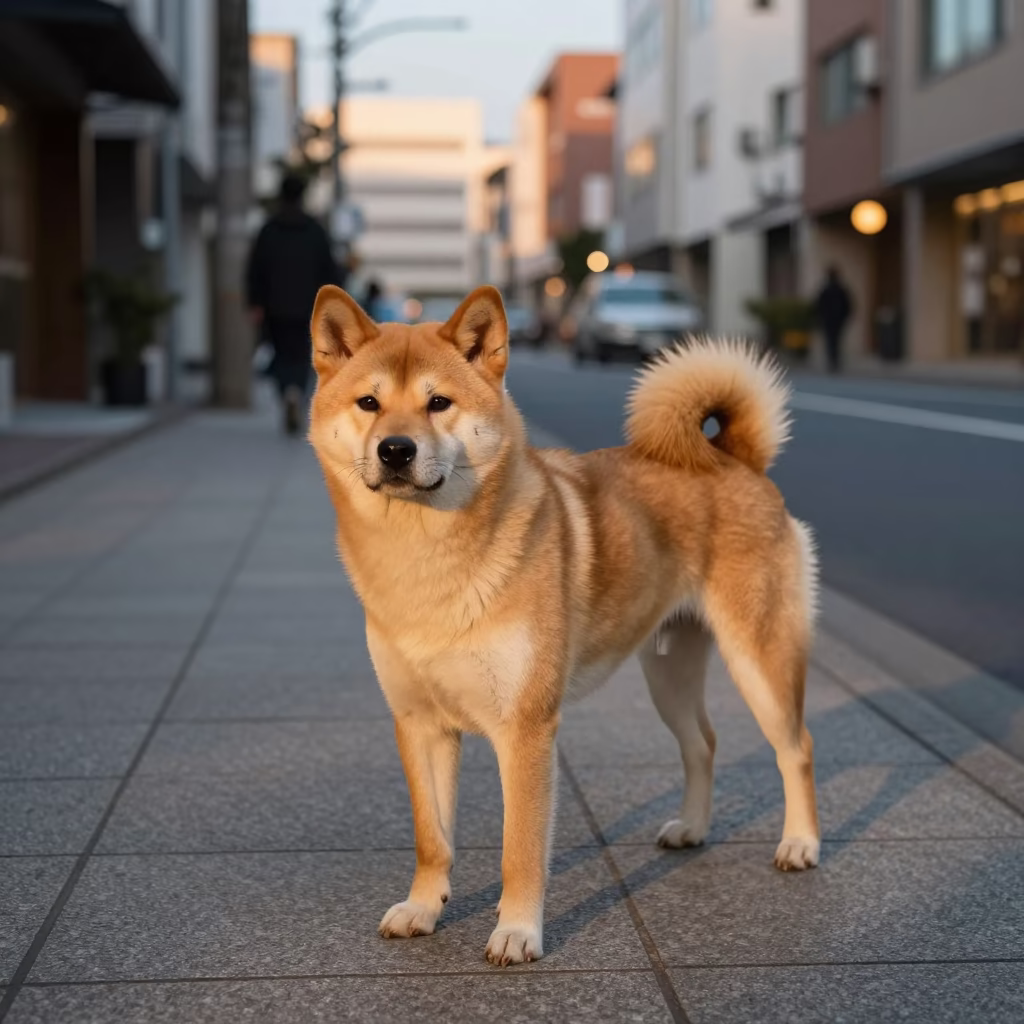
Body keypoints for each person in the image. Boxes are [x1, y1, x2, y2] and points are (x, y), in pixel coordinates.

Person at [246, 173, 342, 435]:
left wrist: (255, 303)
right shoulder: (315, 230)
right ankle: (297, 392)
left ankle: (285, 391)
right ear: (302, 195)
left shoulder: (269, 230)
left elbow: (255, 269)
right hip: (309, 309)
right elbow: (330, 272)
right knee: (303, 356)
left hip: (275, 307)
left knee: (279, 354)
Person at [813, 266, 853, 374]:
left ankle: (833, 361)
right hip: (834, 320)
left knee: (832, 341)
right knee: (834, 341)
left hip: (831, 320)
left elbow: (818, 306)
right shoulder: (837, 290)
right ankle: (834, 361)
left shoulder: (830, 290)